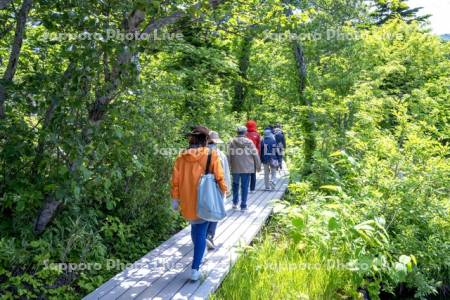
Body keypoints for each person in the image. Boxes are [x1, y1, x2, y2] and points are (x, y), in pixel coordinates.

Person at [171, 125, 227, 281]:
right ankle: (196, 268)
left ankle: (199, 256)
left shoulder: (181, 157)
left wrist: (175, 199)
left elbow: (175, 181)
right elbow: (219, 177)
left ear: (191, 139)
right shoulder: (212, 155)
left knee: (195, 228)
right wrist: (224, 191)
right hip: (205, 200)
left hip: (187, 200)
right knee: (201, 231)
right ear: (206, 139)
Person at [206, 131, 231, 250]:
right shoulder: (220, 155)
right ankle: (210, 235)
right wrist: (227, 188)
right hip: (217, 187)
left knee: (204, 211)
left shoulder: (198, 154)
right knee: (215, 212)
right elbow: (225, 174)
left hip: (203, 188)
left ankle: (203, 235)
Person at [228, 126, 261, 211]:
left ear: (237, 132)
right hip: (247, 168)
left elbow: (229, 155)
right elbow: (255, 154)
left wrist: (228, 166)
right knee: (245, 186)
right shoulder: (249, 142)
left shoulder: (231, 141)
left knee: (235, 185)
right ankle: (243, 205)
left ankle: (235, 203)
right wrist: (258, 166)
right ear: (245, 132)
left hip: (235, 167)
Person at [245, 120, 261, 194]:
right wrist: (259, 156)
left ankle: (246, 187)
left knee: (246, 172)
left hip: (244, 155)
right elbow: (259, 146)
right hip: (254, 155)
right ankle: (252, 189)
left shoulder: (244, 134)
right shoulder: (257, 134)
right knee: (253, 173)